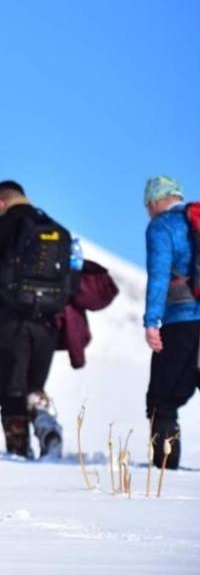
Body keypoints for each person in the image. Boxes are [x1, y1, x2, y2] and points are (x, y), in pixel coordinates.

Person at [0, 181, 71, 458]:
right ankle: (48, 429)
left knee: (11, 394)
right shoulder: (58, 230)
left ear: (0, 202)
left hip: (9, 322)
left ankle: (19, 456)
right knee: (34, 390)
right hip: (47, 325)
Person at [142, 175, 200, 469]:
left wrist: (152, 321)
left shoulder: (162, 226)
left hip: (182, 321)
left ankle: (165, 471)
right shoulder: (194, 222)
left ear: (154, 201)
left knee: (161, 401)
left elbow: (160, 274)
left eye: (147, 206)